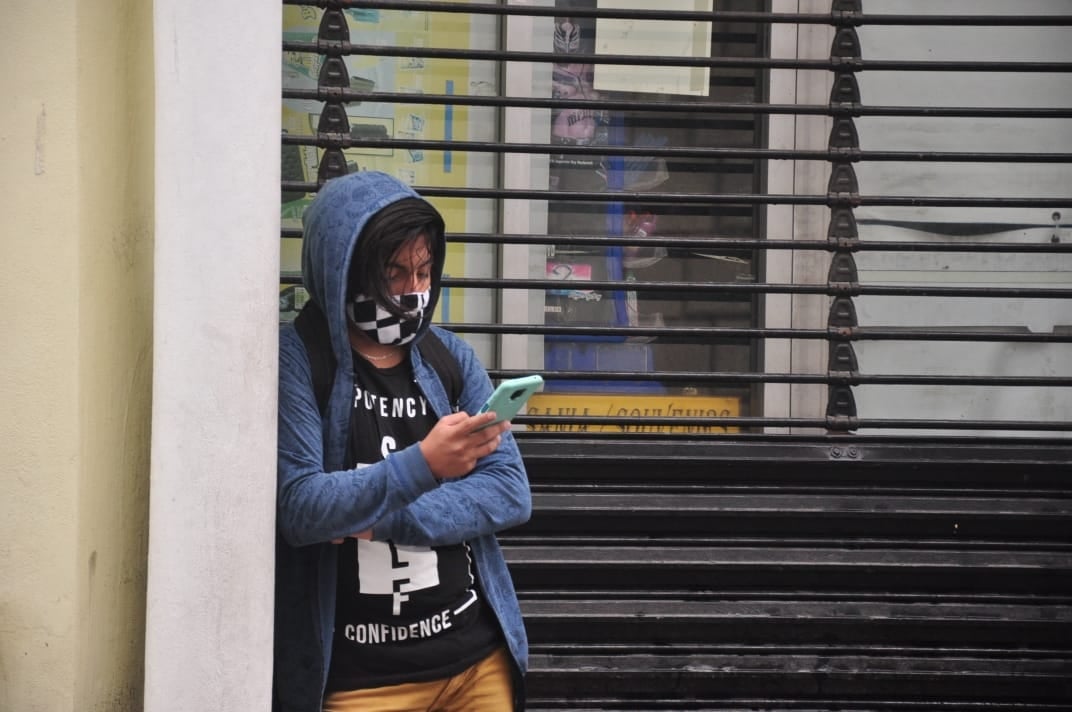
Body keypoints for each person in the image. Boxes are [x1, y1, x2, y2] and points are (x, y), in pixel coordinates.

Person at [274, 170, 532, 712]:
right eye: (393, 273)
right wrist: (427, 464)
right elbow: (301, 506)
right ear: (342, 269)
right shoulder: (296, 360)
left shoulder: (449, 358)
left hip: (476, 666)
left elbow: (508, 491)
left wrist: (375, 518)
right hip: (361, 684)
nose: (413, 290)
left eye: (423, 271)